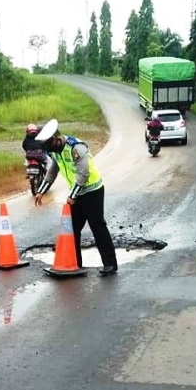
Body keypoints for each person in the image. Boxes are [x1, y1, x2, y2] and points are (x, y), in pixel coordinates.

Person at [33, 118, 118, 276]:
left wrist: (72, 196)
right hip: (77, 193)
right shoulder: (55, 150)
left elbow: (83, 174)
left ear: (56, 140)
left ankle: (110, 264)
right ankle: (75, 263)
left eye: (49, 146)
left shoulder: (76, 148)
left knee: (97, 226)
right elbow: (53, 171)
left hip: (92, 191)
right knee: (72, 229)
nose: (49, 151)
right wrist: (41, 191)